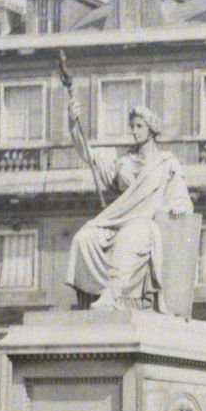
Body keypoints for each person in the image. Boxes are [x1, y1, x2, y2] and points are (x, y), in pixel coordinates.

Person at [65, 96, 194, 312]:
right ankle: (87, 300)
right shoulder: (123, 162)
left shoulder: (166, 162)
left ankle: (112, 296)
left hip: (147, 223)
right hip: (119, 221)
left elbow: (180, 196)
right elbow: (89, 155)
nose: (134, 131)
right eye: (132, 126)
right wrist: (73, 125)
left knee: (130, 236)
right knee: (84, 237)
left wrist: (179, 206)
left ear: (151, 129)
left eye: (139, 126)